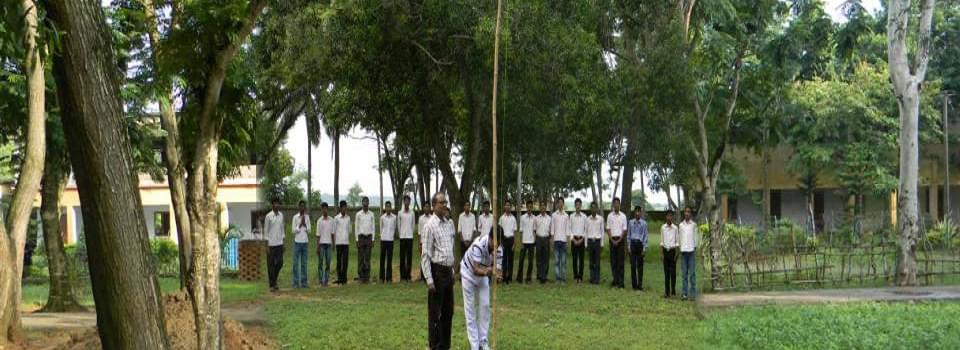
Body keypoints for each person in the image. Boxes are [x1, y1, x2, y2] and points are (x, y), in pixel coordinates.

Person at [422, 192, 456, 350]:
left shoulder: (448, 224)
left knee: (448, 312)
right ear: (434, 205)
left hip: (448, 272)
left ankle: (445, 345)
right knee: (435, 313)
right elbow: (425, 255)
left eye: (445, 202)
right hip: (437, 273)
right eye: (441, 203)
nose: (444, 205)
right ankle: (434, 346)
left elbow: (450, 250)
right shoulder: (429, 226)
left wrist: (452, 271)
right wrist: (429, 280)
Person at [461, 227, 496, 350]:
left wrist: (498, 274)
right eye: (495, 243)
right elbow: (475, 270)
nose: (496, 246)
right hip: (468, 274)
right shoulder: (478, 245)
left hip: (483, 275)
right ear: (490, 238)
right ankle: (474, 344)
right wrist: (487, 271)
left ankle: (483, 341)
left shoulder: (498, 248)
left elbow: (498, 269)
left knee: (485, 306)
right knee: (470, 309)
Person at [264, 199, 285, 292]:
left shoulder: (281, 215)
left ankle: (274, 279)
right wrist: (267, 245)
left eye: (278, 204)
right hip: (271, 244)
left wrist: (283, 242)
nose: (276, 205)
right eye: (275, 204)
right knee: (270, 265)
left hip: (279, 243)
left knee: (280, 262)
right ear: (272, 205)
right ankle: (272, 285)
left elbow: (282, 229)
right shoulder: (268, 216)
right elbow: (266, 231)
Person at [606, 198, 627, 289]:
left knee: (620, 262)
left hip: (620, 240)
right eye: (615, 203)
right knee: (613, 261)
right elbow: (608, 229)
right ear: (613, 205)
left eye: (617, 203)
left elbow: (624, 230)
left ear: (619, 204)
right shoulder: (610, 216)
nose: (616, 205)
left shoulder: (623, 216)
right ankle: (615, 280)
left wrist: (619, 240)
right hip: (612, 240)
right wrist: (612, 240)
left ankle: (621, 282)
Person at [679, 207, 699, 301]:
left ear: (690, 214)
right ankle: (684, 293)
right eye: (685, 212)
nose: (687, 213)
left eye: (688, 212)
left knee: (692, 274)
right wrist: (680, 248)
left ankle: (693, 294)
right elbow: (680, 237)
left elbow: (696, 237)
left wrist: (695, 247)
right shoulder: (681, 225)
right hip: (683, 252)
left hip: (691, 252)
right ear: (684, 213)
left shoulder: (693, 225)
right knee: (684, 274)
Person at [627, 206, 649, 291]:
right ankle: (634, 285)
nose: (637, 213)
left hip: (640, 244)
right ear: (634, 213)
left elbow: (645, 236)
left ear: (640, 213)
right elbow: (628, 235)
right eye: (636, 212)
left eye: (639, 212)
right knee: (633, 266)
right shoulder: (631, 222)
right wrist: (629, 246)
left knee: (640, 266)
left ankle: (640, 285)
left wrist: (644, 248)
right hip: (633, 244)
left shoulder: (644, 223)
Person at [355, 197, 375, 283]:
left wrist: (373, 239)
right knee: (360, 257)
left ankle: (367, 277)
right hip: (361, 237)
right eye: (364, 202)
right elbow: (356, 227)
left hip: (369, 237)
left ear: (368, 203)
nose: (365, 203)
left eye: (367, 202)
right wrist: (356, 239)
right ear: (362, 203)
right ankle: (360, 276)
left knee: (367, 257)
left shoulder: (371, 214)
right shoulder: (358, 214)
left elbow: (373, 227)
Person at [291, 201, 311, 289]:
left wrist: (305, 224)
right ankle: (295, 282)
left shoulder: (307, 217)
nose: (302, 208)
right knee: (295, 263)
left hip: (305, 242)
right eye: (301, 206)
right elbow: (293, 231)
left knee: (304, 263)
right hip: (297, 242)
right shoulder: (295, 217)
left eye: (304, 206)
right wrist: (299, 225)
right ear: (299, 207)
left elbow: (309, 231)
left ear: (305, 208)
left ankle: (304, 282)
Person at [551, 197, 570, 283]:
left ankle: (563, 278)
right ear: (557, 204)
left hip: (563, 241)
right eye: (559, 203)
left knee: (563, 261)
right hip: (556, 240)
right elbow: (552, 228)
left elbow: (567, 229)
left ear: (563, 204)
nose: (560, 204)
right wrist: (552, 240)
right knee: (557, 261)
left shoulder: (566, 216)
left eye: (562, 202)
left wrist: (568, 241)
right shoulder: (554, 215)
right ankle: (558, 278)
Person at [660, 211, 679, 298]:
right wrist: (661, 253)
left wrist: (677, 253)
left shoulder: (675, 228)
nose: (669, 218)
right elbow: (662, 241)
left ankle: (673, 291)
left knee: (673, 273)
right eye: (668, 216)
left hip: (672, 251)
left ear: (672, 217)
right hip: (665, 251)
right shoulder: (663, 227)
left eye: (671, 216)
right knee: (666, 273)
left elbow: (677, 241)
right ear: (666, 217)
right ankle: (667, 292)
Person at [517, 200, 537, 284]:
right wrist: (521, 242)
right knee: (521, 260)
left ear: (532, 208)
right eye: (528, 207)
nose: (529, 208)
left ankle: (528, 278)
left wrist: (535, 242)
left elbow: (535, 231)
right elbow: (521, 231)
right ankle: (519, 278)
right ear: (526, 207)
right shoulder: (522, 217)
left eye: (531, 207)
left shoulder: (534, 218)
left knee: (530, 262)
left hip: (531, 242)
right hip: (524, 242)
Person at [499, 199, 518, 284]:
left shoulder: (513, 218)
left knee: (510, 260)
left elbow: (515, 232)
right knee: (504, 260)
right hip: (504, 240)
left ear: (511, 207)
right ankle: (504, 277)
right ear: (504, 207)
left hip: (511, 240)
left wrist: (514, 243)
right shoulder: (501, 218)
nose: (507, 206)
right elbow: (499, 232)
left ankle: (510, 277)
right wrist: (500, 242)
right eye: (506, 205)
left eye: (509, 205)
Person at [316, 202, 335, 286]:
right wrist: (317, 246)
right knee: (320, 263)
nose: (324, 210)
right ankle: (321, 280)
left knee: (328, 262)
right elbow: (318, 235)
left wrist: (333, 244)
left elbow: (332, 233)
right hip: (321, 244)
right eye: (323, 209)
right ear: (321, 210)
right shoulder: (319, 221)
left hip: (329, 244)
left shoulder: (331, 220)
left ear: (327, 209)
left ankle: (326, 280)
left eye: (326, 209)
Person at [569, 199, 587, 284]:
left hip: (581, 239)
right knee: (575, 259)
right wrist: (573, 239)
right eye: (576, 205)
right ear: (575, 206)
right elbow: (569, 229)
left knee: (581, 259)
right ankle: (575, 276)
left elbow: (586, 229)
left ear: (581, 206)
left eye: (579, 205)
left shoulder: (584, 217)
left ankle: (580, 277)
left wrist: (582, 239)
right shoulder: (571, 216)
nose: (578, 206)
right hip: (574, 240)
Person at [586, 202, 604, 284]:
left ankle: (597, 279)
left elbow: (602, 232)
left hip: (597, 241)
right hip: (590, 241)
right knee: (591, 261)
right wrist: (586, 244)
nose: (593, 209)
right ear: (590, 209)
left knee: (597, 261)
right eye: (592, 207)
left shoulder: (600, 219)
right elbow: (586, 232)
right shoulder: (587, 219)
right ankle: (592, 278)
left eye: (595, 208)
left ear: (597, 209)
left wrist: (602, 244)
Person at [398, 195, 416, 282]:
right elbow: (399, 225)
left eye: (408, 201)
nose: (406, 202)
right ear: (403, 202)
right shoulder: (400, 213)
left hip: (409, 237)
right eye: (405, 201)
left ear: (409, 202)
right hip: (402, 237)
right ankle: (402, 276)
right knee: (402, 257)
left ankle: (408, 275)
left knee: (409, 257)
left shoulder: (412, 213)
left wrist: (410, 233)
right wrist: (401, 234)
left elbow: (413, 225)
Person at [334, 201, 352, 285]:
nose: (344, 209)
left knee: (345, 261)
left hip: (346, 242)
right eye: (343, 207)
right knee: (339, 261)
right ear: (340, 208)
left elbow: (350, 230)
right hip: (338, 242)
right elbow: (334, 230)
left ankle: (344, 278)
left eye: (345, 207)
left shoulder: (348, 218)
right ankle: (339, 278)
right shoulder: (336, 218)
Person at [380, 201, 397, 283]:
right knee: (382, 259)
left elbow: (394, 228)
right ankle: (382, 278)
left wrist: (391, 236)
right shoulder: (382, 217)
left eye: (389, 207)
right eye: (387, 207)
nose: (388, 208)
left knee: (389, 259)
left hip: (390, 240)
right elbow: (381, 228)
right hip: (383, 240)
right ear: (385, 208)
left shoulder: (394, 217)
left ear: (391, 208)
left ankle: (389, 278)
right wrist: (382, 236)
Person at [535, 200, 552, 283]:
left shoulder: (549, 218)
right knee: (539, 258)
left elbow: (551, 231)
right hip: (538, 238)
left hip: (546, 239)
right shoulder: (536, 218)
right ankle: (539, 275)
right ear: (539, 207)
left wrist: (548, 239)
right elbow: (534, 230)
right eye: (541, 205)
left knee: (546, 258)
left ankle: (544, 276)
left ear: (546, 207)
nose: (542, 207)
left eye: (544, 205)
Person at [418, 203, 434, 282]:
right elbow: (419, 232)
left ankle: (430, 276)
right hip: (423, 241)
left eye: (428, 207)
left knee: (431, 259)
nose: (427, 208)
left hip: (431, 241)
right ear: (423, 208)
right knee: (423, 259)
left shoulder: (432, 218)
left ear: (430, 208)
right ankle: (422, 276)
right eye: (425, 206)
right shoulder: (421, 218)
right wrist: (420, 243)